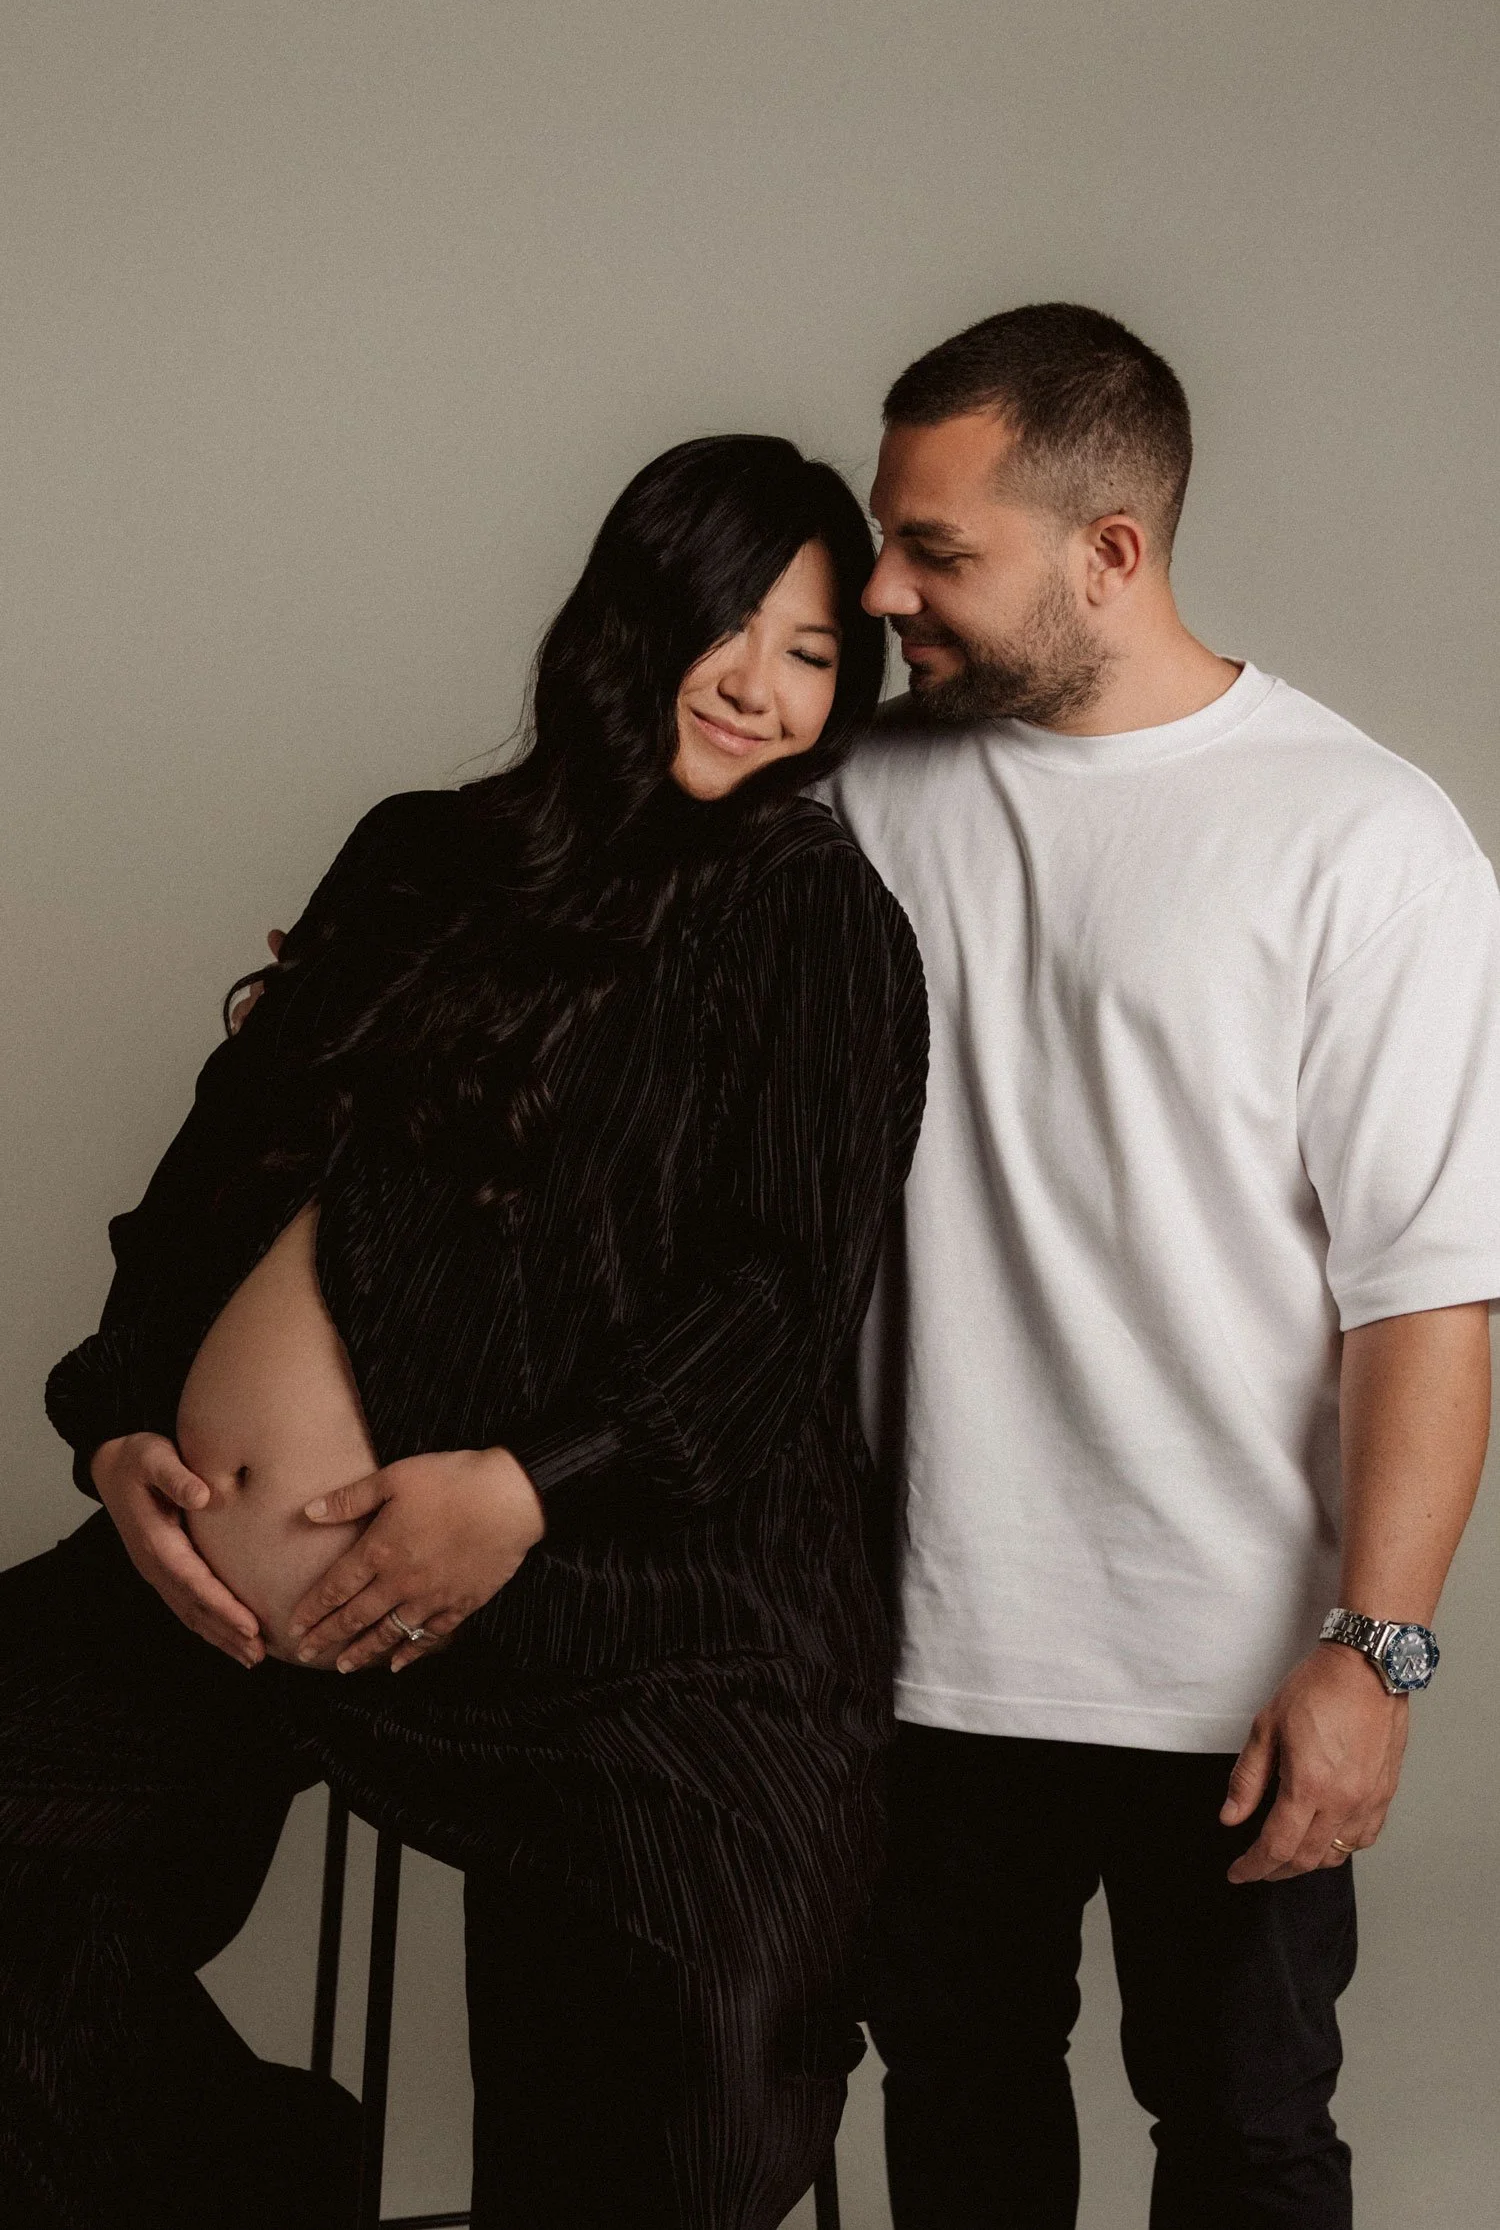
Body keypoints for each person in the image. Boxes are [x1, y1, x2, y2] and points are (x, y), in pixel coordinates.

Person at [0, 434, 928, 2230]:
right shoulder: (421, 861)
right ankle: (259, 2177)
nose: (754, 683)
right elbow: (206, 1186)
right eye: (721, 625)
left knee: (706, 2058)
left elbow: (778, 1302)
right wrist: (120, 1429)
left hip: (628, 1624)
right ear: (624, 617)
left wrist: (526, 1486)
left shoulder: (808, 915)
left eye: (810, 652)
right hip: (220, 1602)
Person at [828, 303, 1500, 2230]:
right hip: (923, 1649)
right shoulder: (862, 797)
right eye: (889, 536)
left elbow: (1423, 1298)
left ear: (1109, 553)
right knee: (957, 2112)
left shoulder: (1364, 840)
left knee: (1247, 2144)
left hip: (1234, 1673)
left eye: (936, 549)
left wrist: (1375, 1650)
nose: (882, 589)